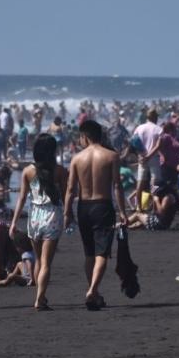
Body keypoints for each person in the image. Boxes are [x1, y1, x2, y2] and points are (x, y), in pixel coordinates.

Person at [64, 120, 127, 311]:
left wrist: (67, 212)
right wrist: (123, 211)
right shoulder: (111, 156)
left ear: (85, 136)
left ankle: (95, 292)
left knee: (89, 253)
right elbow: (117, 186)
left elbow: (70, 189)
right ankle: (92, 289)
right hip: (102, 206)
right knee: (102, 253)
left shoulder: (77, 158)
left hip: (83, 208)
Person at [10, 134, 68, 311]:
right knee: (46, 262)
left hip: (34, 216)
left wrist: (13, 222)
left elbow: (21, 198)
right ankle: (40, 299)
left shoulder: (28, 171)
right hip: (52, 215)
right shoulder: (60, 171)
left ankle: (38, 296)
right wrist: (70, 214)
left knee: (38, 261)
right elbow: (66, 196)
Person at [131, 110, 164, 211]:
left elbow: (134, 142)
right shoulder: (159, 129)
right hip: (153, 157)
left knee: (140, 182)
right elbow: (158, 146)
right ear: (155, 117)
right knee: (154, 182)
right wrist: (149, 156)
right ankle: (154, 205)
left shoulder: (139, 128)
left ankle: (139, 206)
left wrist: (141, 155)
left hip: (142, 158)